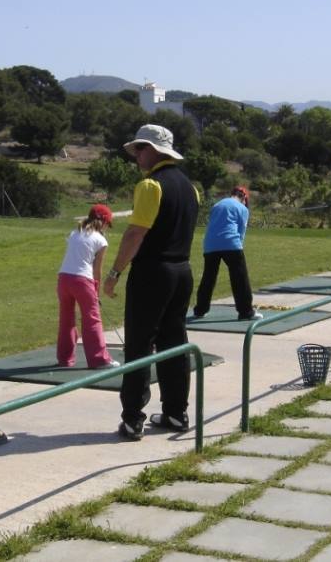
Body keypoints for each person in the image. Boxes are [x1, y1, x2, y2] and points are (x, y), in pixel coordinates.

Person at [103, 124, 199, 441]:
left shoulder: (150, 185)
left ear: (156, 150)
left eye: (141, 149)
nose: (137, 155)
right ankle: (175, 412)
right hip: (182, 271)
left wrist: (115, 271)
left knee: (140, 345)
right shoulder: (190, 187)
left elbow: (135, 233)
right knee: (174, 343)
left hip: (153, 272)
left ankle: (133, 418)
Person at [56, 204, 119, 369]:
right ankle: (99, 360)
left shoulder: (75, 232)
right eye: (108, 224)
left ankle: (65, 359)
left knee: (66, 320)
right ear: (104, 222)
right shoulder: (101, 240)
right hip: (82, 281)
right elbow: (96, 270)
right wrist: (95, 292)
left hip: (63, 279)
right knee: (92, 320)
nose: (107, 227)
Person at [193, 185, 259, 320]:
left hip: (210, 244)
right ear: (244, 198)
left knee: (208, 278)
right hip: (231, 243)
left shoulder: (217, 205)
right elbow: (241, 233)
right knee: (240, 278)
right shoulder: (242, 208)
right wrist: (239, 248)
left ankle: (200, 310)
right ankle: (246, 311)